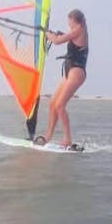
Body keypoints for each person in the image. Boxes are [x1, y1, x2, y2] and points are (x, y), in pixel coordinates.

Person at [34, 9, 89, 149]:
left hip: (77, 73)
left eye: (70, 23)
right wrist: (58, 34)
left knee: (60, 106)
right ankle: (48, 137)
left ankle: (67, 140)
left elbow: (57, 41)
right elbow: (68, 38)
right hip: (69, 71)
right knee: (53, 103)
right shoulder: (76, 31)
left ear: (75, 22)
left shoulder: (79, 29)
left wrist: (46, 33)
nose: (69, 25)